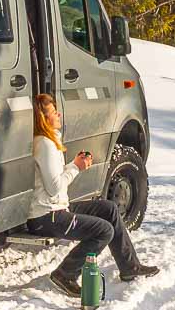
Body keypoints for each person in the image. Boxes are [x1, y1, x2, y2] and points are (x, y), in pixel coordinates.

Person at [24, 93, 159, 297]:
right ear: (43, 118)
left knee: (109, 209)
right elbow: (54, 187)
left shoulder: (50, 142)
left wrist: (74, 164)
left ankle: (130, 267)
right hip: (47, 217)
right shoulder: (44, 144)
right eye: (53, 112)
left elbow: (54, 181)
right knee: (103, 231)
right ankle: (65, 274)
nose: (59, 114)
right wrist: (76, 168)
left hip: (57, 207)